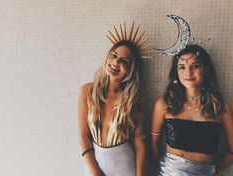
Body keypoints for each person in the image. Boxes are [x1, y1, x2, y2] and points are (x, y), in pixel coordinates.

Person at [78, 23, 150, 176]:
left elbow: (140, 143)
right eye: (114, 55)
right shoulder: (86, 91)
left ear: (131, 70)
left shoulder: (135, 98)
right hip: (93, 164)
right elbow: (84, 135)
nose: (116, 62)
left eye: (124, 61)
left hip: (123, 166)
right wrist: (95, 172)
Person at [151, 44, 233, 175]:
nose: (188, 72)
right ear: (176, 72)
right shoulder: (164, 103)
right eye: (182, 67)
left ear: (205, 69)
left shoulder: (220, 106)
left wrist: (209, 170)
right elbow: (153, 145)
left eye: (195, 66)